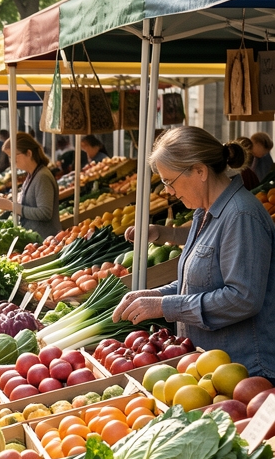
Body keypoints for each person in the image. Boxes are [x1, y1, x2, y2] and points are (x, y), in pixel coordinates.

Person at [114, 127, 275, 379]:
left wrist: (164, 306)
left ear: (200, 171)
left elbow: (242, 298)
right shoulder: (204, 212)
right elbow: (201, 281)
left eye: (169, 181)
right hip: (215, 366)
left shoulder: (242, 216)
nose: (168, 191)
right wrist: (155, 295)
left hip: (245, 370)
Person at [0, 132, 60, 238]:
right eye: (10, 157)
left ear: (28, 153)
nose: (12, 161)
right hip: (37, 239)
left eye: (14, 156)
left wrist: (11, 206)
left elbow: (45, 213)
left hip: (45, 239)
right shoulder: (32, 174)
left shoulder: (42, 177)